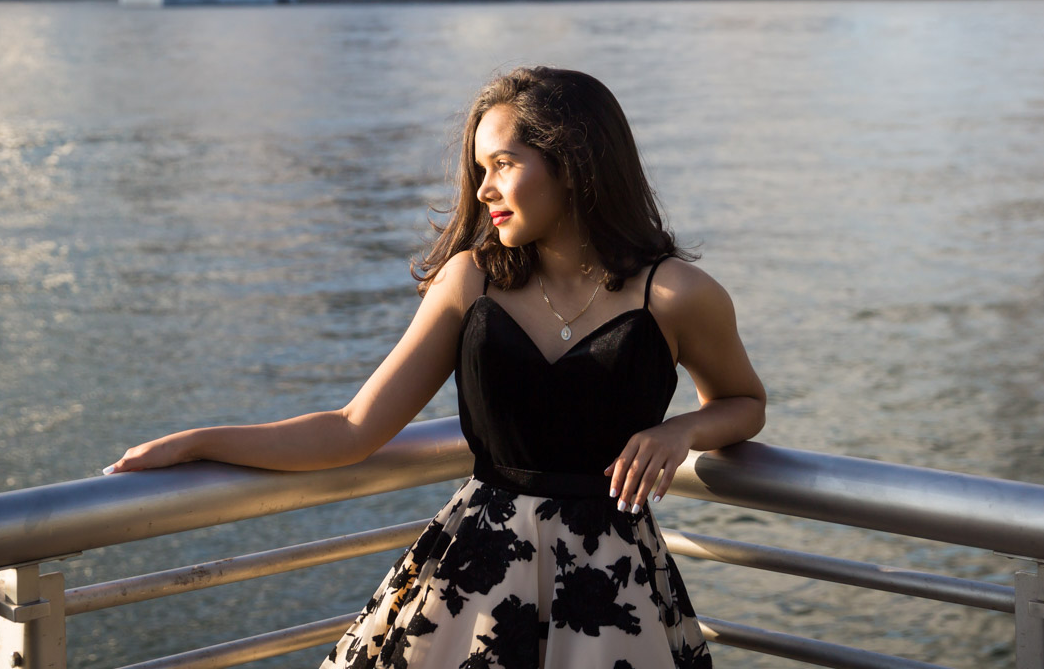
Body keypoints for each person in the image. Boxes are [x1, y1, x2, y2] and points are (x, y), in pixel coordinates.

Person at [105, 66, 767, 666]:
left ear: (573, 162)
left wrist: (680, 432)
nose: (483, 190)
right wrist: (198, 441)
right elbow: (351, 429)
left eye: (503, 164)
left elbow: (743, 402)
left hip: (613, 587)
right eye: (479, 168)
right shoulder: (471, 283)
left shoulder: (678, 296)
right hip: (473, 579)